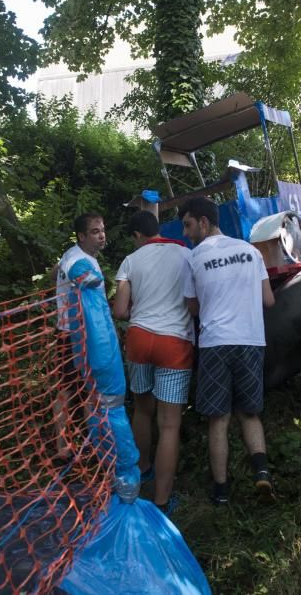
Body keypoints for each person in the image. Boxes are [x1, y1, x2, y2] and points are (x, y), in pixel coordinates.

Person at [180, 197, 276, 505]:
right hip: (250, 340)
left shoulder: (193, 259)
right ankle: (261, 474)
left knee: (218, 420)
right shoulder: (251, 252)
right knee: (250, 413)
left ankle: (221, 492)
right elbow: (268, 301)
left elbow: (192, 307)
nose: (186, 232)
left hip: (215, 343)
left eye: (188, 224)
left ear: (204, 223)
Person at [56, 212, 141, 502]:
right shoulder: (74, 258)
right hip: (73, 338)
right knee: (74, 393)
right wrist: (84, 275)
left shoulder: (90, 258)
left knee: (96, 401)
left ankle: (102, 461)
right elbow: (74, 270)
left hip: (92, 339)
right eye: (94, 232)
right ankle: (64, 449)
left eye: (102, 230)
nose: (101, 235)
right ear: (81, 236)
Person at [112, 210, 193, 515]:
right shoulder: (184, 253)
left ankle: (142, 466)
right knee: (170, 424)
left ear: (137, 236)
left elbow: (120, 311)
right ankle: (161, 499)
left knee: (142, 410)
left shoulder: (131, 261)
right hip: (175, 342)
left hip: (140, 338)